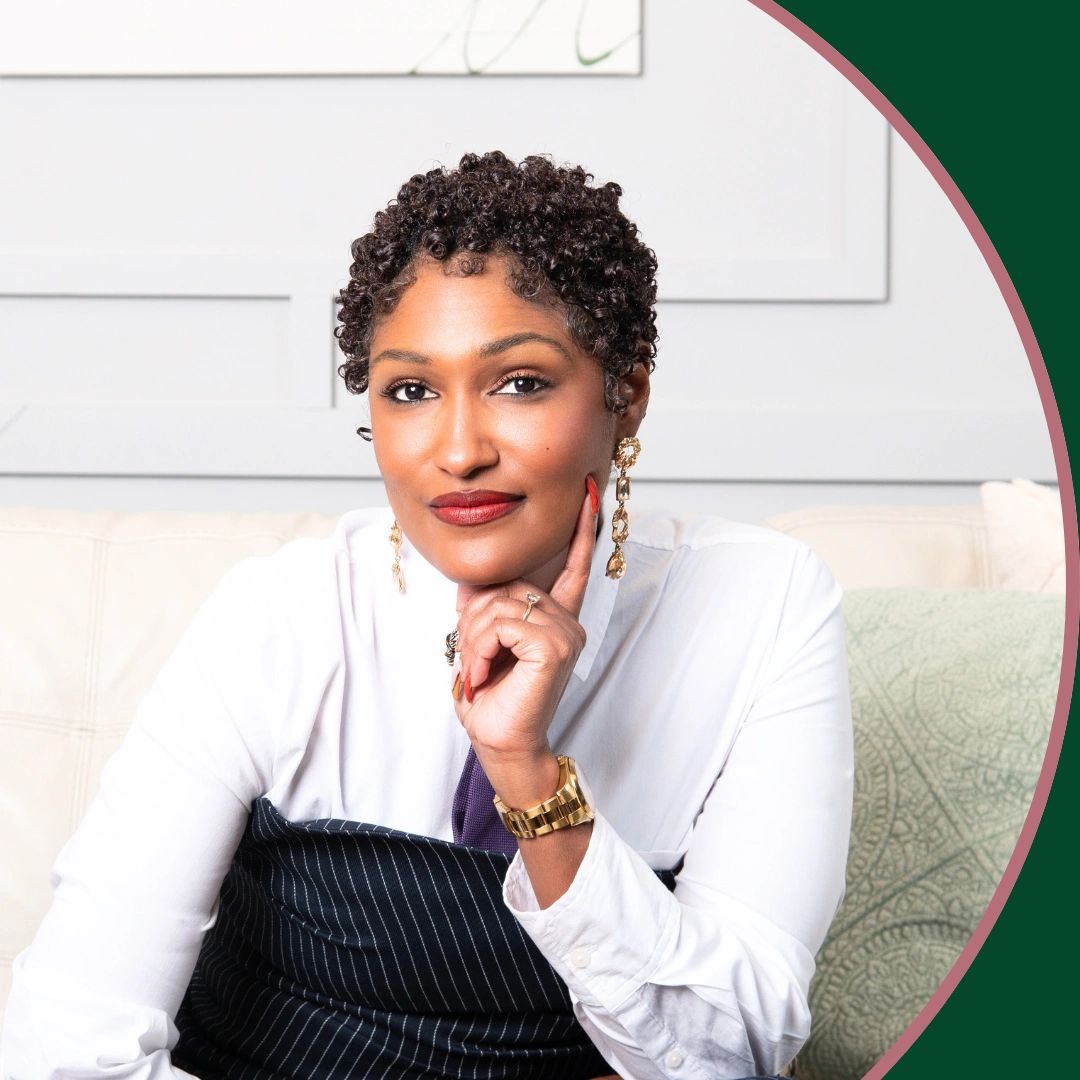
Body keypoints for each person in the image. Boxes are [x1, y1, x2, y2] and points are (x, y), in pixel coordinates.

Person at [0, 150, 854, 1079]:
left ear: (626, 394)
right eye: (410, 392)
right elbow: (66, 1044)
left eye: (519, 382)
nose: (457, 451)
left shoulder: (762, 607)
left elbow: (730, 1050)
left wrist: (526, 775)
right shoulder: (281, 617)